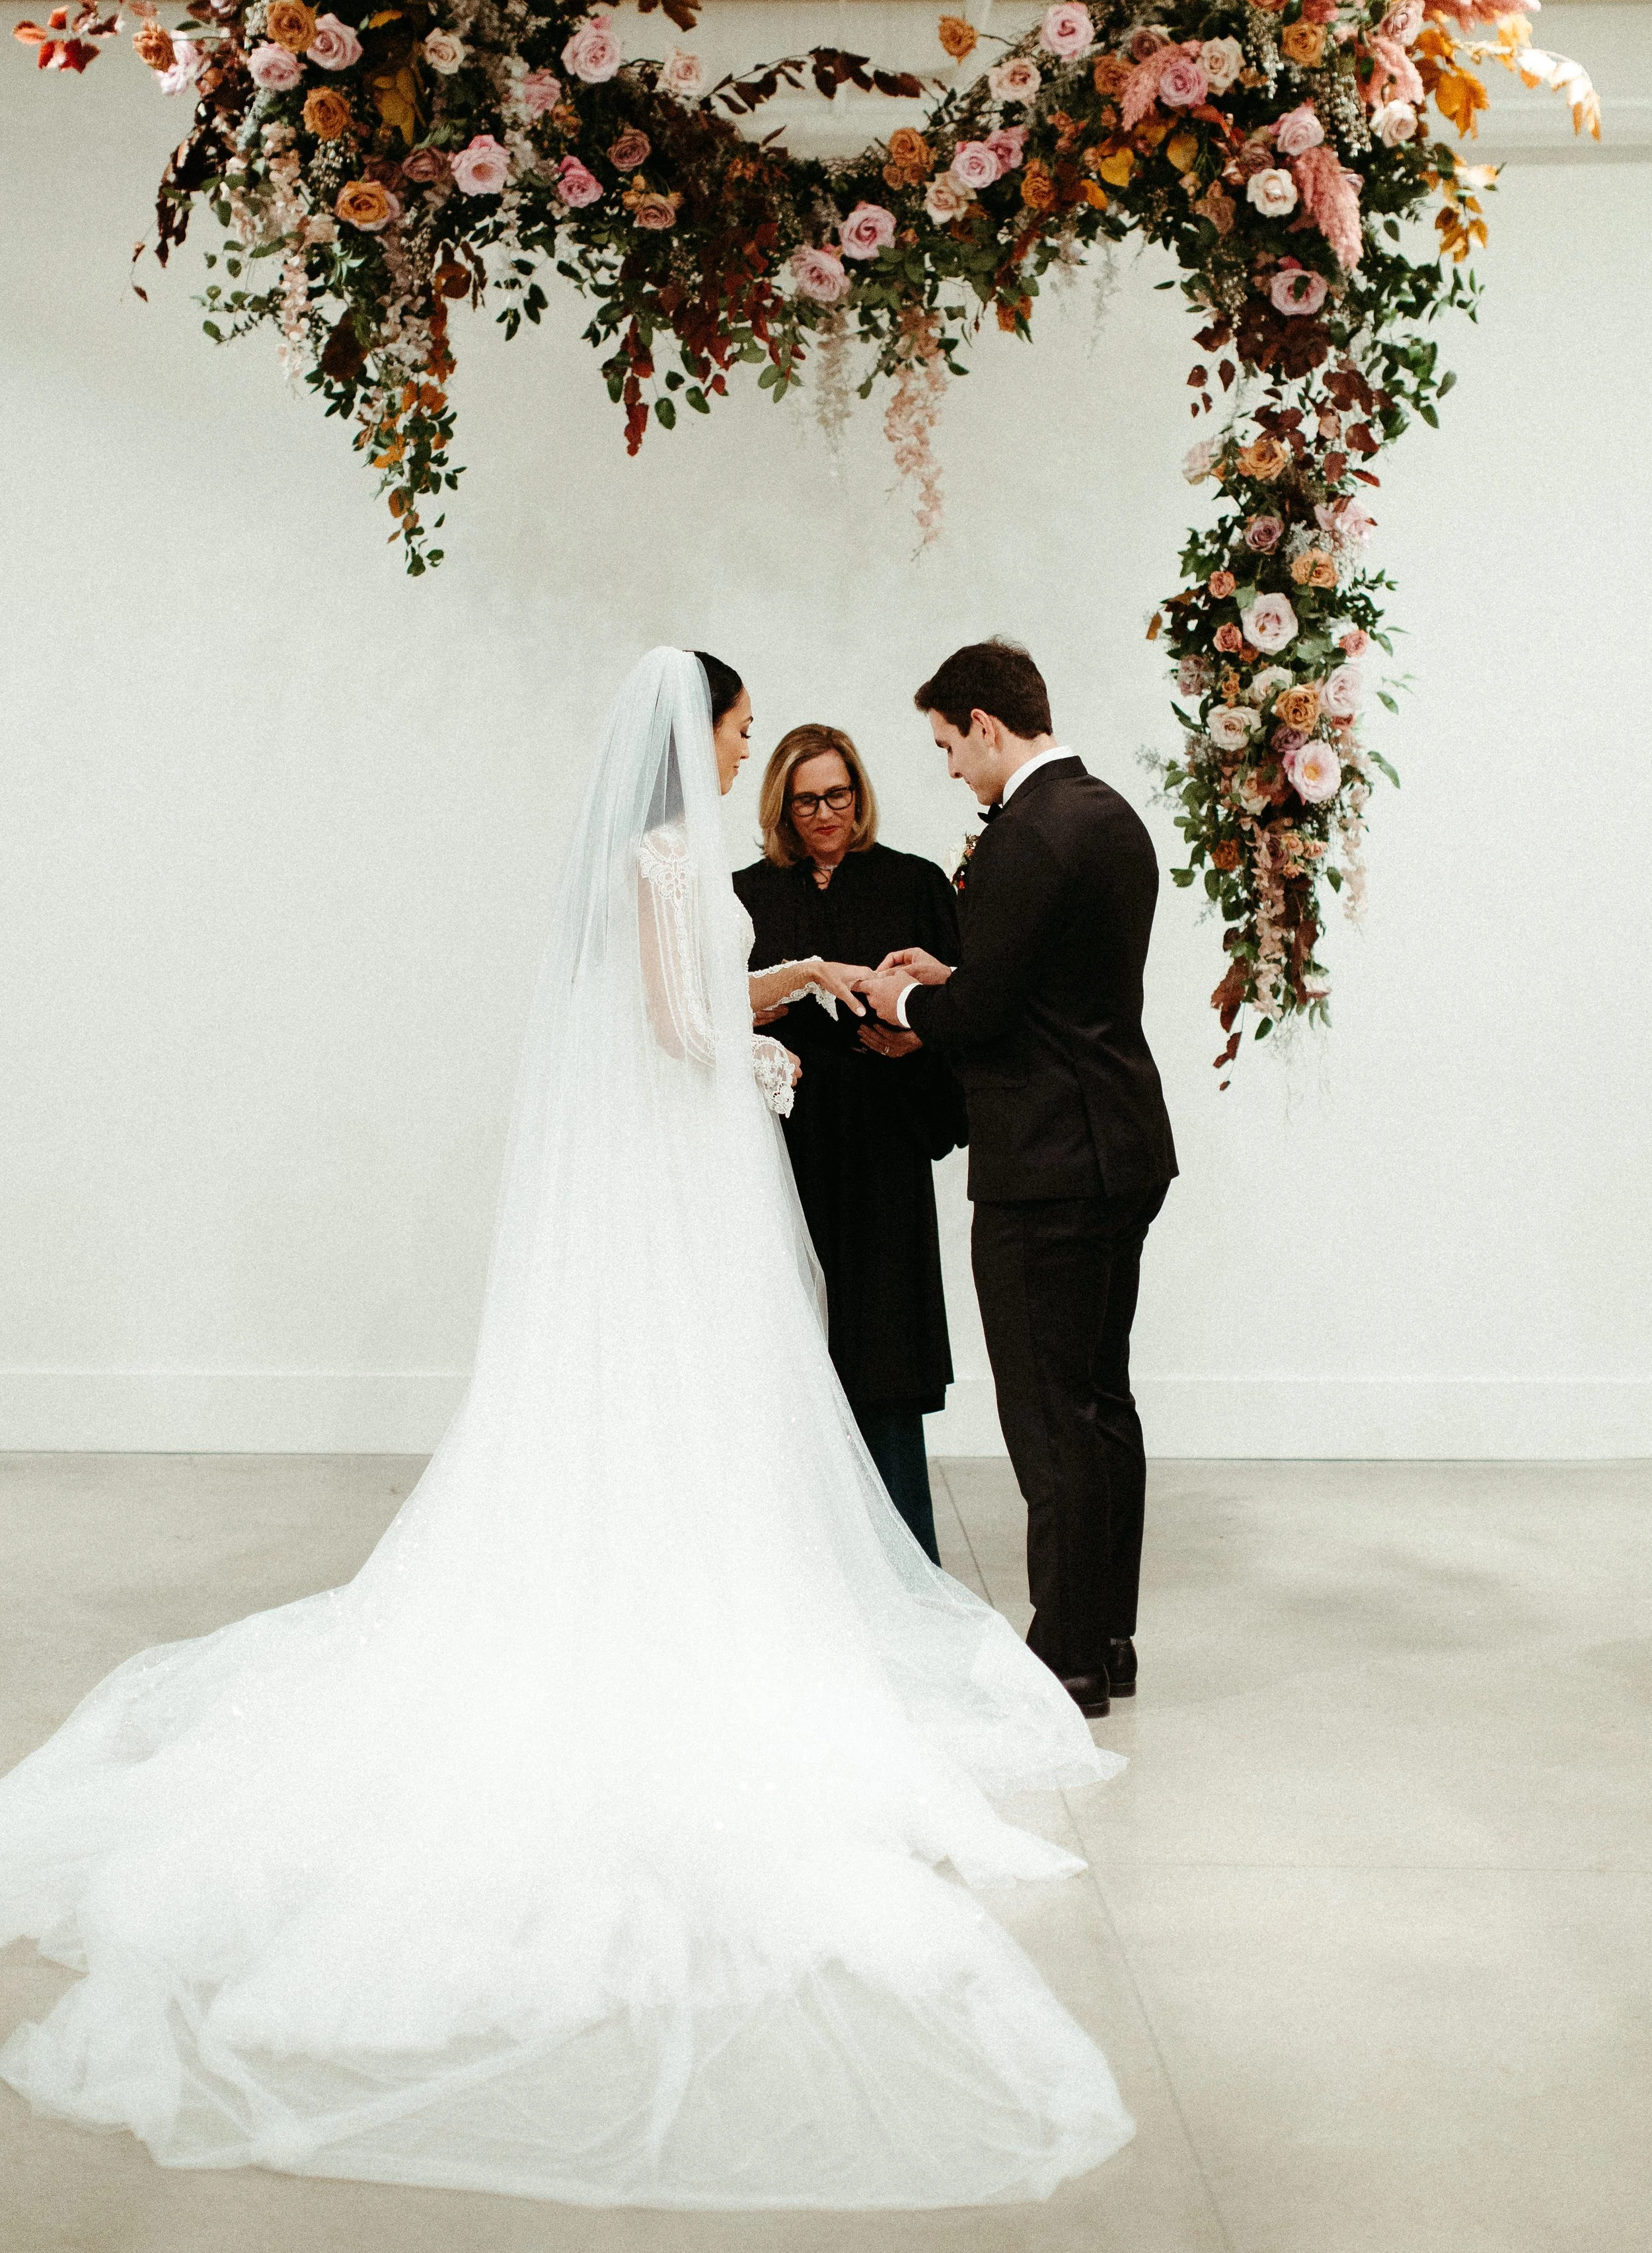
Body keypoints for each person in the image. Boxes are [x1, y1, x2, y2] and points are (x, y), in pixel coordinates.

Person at [0, 647, 1133, 2207]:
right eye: (739, 732)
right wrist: (762, 1049)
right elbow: (673, 1029)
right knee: (712, 1397)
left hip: (677, 1177)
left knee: (681, 1404)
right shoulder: (672, 855)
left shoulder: (654, 858)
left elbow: (678, 996)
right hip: (691, 1168)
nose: (747, 753)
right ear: (699, 735)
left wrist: (795, 984)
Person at [862, 640, 1178, 1723]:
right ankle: (1109, 1636)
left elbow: (986, 1019)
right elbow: (1048, 984)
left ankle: (1065, 1660)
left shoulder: (1029, 836)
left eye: (950, 745)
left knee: (1049, 1417)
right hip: (1119, 1144)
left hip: (1048, 1163)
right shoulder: (1107, 815)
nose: (951, 768)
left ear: (987, 724)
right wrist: (957, 973)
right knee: (1101, 1404)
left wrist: (896, 998)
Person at [733, 724, 966, 1564]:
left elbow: (961, 1005)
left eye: (839, 795)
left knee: (885, 1355)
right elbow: (716, 1012)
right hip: (784, 1154)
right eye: (806, 800)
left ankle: (905, 1565)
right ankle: (795, 1566)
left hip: (884, 1148)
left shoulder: (913, 884)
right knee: (789, 1355)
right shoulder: (745, 895)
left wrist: (920, 1042)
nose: (826, 813)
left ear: (860, 796)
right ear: (781, 808)